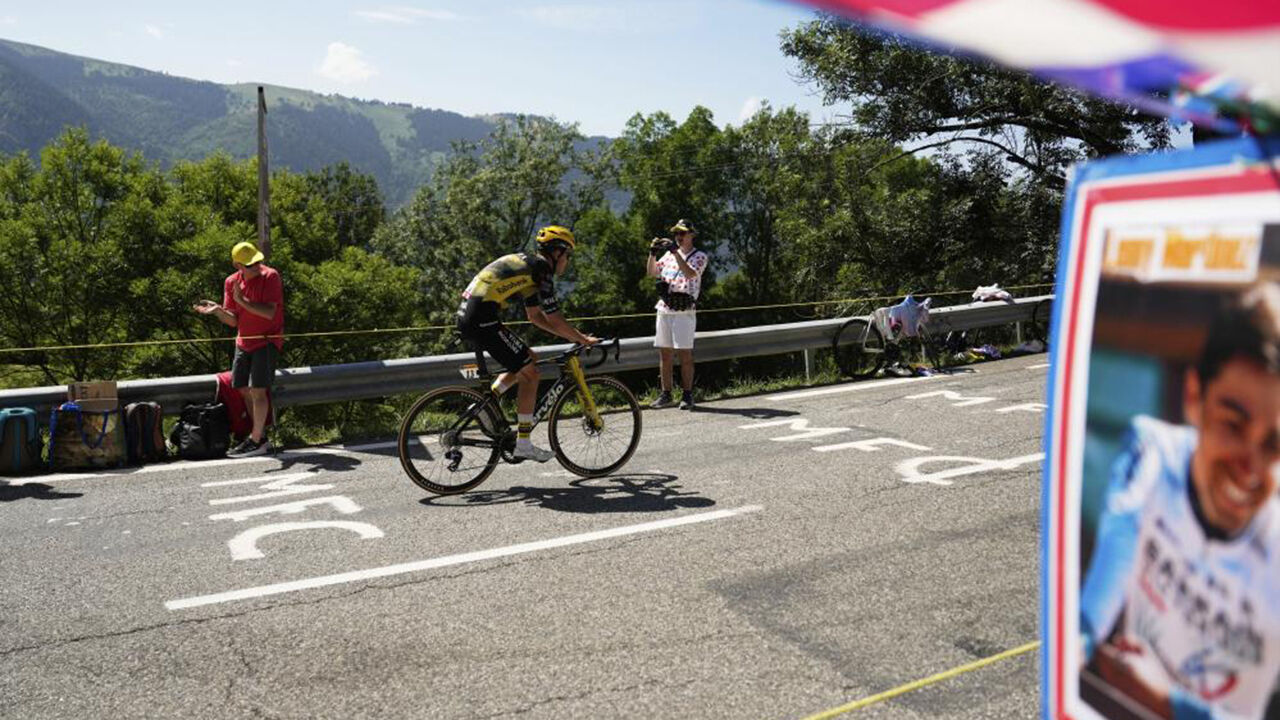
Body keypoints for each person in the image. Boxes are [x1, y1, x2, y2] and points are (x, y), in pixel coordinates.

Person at [1079, 283, 1280, 720]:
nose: (1250, 466)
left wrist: (1165, 700)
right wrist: (1080, 638)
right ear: (1194, 397)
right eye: (1233, 423)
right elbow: (1118, 545)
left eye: (1274, 444)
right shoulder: (1154, 450)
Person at [456, 225, 597, 462]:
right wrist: (581, 339)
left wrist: (572, 335)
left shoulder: (531, 268)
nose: (568, 261)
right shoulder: (542, 270)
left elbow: (535, 317)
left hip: (473, 316)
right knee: (531, 375)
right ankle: (523, 443)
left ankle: (484, 406)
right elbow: (553, 317)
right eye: (568, 255)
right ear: (558, 252)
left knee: (528, 358)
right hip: (481, 318)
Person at [192, 240, 284, 458]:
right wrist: (217, 311)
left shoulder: (271, 276)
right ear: (238, 266)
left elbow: (269, 313)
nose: (256, 267)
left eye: (257, 262)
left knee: (258, 390)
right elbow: (233, 321)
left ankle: (255, 439)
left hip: (267, 340)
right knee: (242, 388)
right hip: (243, 341)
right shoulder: (231, 282)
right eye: (250, 265)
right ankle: (259, 437)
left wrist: (241, 300)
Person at [646, 219, 708, 410]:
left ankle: (688, 395)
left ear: (691, 235)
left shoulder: (700, 256)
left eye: (682, 233)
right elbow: (651, 273)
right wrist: (652, 253)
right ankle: (666, 394)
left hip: (684, 311)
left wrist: (675, 252)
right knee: (665, 353)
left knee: (684, 354)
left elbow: (690, 274)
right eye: (676, 234)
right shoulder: (668, 255)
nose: (679, 237)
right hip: (665, 308)